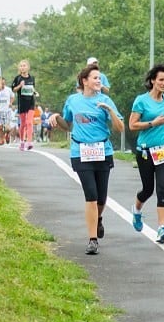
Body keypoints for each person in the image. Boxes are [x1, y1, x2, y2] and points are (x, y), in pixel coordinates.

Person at [48, 64, 124, 255]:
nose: (99, 81)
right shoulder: (73, 100)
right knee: (90, 194)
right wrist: (56, 117)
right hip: (80, 151)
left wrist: (110, 111)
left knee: (101, 196)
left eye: (100, 78)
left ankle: (98, 219)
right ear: (85, 81)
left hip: (102, 150)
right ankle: (92, 240)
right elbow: (67, 124)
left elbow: (120, 128)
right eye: (95, 78)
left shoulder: (106, 100)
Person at [128, 64, 164, 243]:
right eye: (161, 80)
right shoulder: (141, 101)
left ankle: (162, 228)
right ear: (152, 81)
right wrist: (152, 123)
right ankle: (137, 210)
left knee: (162, 188)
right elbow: (132, 125)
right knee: (148, 189)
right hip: (145, 151)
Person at [11, 60, 38, 150]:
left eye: (24, 66)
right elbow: (13, 90)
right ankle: (22, 141)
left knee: (29, 122)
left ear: (28, 67)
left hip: (31, 102)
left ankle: (29, 142)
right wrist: (19, 86)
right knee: (23, 123)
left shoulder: (32, 78)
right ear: (19, 68)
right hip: (22, 103)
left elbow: (32, 88)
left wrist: (35, 92)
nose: (23, 67)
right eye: (21, 66)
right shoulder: (18, 78)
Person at [0, 77, 16, 144]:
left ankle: (7, 134)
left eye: (3, 82)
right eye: (1, 82)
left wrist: (11, 103)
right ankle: (2, 139)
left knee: (8, 128)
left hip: (7, 110)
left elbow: (13, 97)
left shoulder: (8, 89)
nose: (2, 84)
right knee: (0, 127)